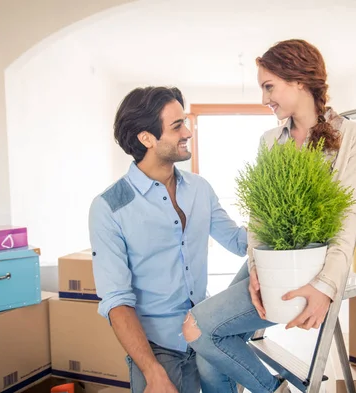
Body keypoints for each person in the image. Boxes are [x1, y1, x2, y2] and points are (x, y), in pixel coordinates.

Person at [182, 39, 356, 393]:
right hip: (267, 257)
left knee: (198, 329)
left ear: (299, 80)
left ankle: (273, 390)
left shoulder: (351, 138)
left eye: (269, 86)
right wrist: (255, 267)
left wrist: (326, 286)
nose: (263, 98)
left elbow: (348, 220)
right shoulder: (270, 140)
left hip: (309, 265)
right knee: (208, 351)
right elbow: (259, 218)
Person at [88, 86, 248, 393]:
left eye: (185, 122)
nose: (188, 132)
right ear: (146, 138)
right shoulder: (110, 206)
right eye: (177, 126)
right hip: (158, 351)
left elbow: (239, 242)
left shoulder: (200, 189)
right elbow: (117, 301)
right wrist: (152, 372)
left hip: (206, 338)